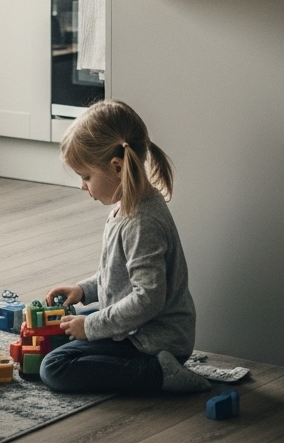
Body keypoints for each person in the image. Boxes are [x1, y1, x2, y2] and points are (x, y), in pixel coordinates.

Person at [40, 100, 210, 396]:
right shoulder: (128, 208)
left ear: (116, 168)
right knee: (70, 325)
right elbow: (119, 278)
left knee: (55, 367)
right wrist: (83, 291)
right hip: (141, 330)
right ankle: (145, 363)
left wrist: (91, 327)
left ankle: (159, 374)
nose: (83, 186)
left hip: (155, 341)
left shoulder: (142, 222)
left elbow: (148, 299)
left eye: (86, 177)